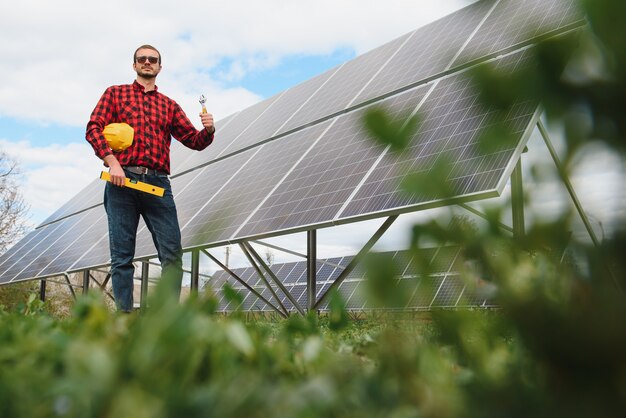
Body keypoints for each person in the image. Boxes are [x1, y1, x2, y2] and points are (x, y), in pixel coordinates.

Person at [86, 44, 215, 312]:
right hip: (122, 182)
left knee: (172, 255)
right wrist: (113, 163)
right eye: (142, 59)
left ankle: (165, 320)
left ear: (159, 67)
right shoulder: (115, 94)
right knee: (121, 257)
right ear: (134, 65)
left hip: (157, 184)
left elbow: (193, 140)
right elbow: (93, 128)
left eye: (152, 60)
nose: (147, 62)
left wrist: (209, 130)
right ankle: (124, 317)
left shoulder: (168, 105)